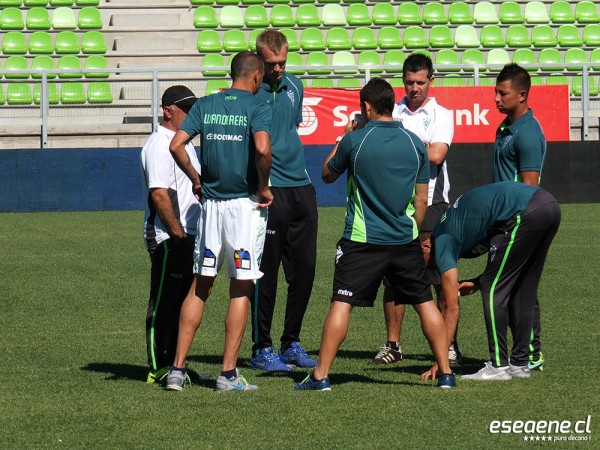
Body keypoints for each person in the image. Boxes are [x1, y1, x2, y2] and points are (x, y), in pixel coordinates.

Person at [295, 78, 455, 391]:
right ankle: (446, 374)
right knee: (425, 302)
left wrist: (343, 139)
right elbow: (422, 198)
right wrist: (419, 232)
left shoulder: (356, 141)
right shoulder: (414, 143)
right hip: (404, 240)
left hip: (362, 241)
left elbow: (327, 174)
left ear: (367, 107)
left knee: (341, 304)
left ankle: (320, 376)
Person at [165, 51, 273, 392]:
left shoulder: (206, 104)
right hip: (243, 209)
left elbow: (176, 144)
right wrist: (264, 185)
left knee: (201, 284)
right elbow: (263, 148)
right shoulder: (257, 106)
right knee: (241, 287)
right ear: (256, 76)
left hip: (211, 207)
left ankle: (177, 371)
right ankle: (227, 375)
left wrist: (195, 178)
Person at [369, 53, 458, 367]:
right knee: (394, 276)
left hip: (434, 203)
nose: (415, 88)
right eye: (409, 82)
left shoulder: (442, 114)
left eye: (421, 82)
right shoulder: (392, 112)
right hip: (397, 206)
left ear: (431, 80)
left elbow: (435, 155)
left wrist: (397, 144)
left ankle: (448, 345)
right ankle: (393, 345)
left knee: (438, 275)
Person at [421, 182, 560, 381]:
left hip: (522, 210)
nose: (425, 268)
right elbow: (503, 261)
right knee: (523, 287)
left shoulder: (442, 238)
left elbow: (451, 306)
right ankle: (521, 363)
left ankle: (498, 366)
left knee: (493, 289)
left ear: (426, 245)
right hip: (549, 205)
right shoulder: (452, 227)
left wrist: (441, 361)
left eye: (421, 260)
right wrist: (479, 280)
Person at [250, 29, 318, 371]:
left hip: (301, 186)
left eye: (283, 62)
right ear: (259, 60)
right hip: (269, 190)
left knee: (304, 271)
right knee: (266, 274)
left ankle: (292, 342)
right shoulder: (249, 91)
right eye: (272, 64)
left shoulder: (295, 85)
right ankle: (262, 347)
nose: (278, 69)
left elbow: (289, 128)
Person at [140, 85, 199, 384]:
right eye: (186, 110)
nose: (191, 116)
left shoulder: (183, 142)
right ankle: (157, 367)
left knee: (181, 306)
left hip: (187, 236)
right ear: (168, 111)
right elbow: (160, 194)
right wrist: (176, 234)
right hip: (169, 238)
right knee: (163, 304)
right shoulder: (158, 144)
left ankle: (177, 364)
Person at [493, 63, 547, 371]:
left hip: (520, 221)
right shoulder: (505, 128)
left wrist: (516, 221)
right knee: (512, 287)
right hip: (503, 219)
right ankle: (526, 352)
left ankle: (530, 352)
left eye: (503, 93)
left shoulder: (527, 133)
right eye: (495, 93)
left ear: (522, 95)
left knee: (519, 287)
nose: (497, 99)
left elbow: (530, 188)